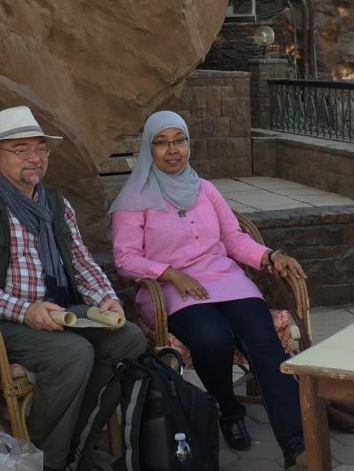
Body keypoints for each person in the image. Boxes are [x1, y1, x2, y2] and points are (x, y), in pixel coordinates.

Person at [0, 106, 147, 471]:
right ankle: (45, 459)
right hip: (0, 321)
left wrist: (107, 299)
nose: (34, 158)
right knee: (72, 354)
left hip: (57, 310)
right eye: (21, 150)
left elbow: (82, 262)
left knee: (128, 338)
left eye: (40, 149)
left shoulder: (56, 204)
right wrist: (25, 310)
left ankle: (79, 443)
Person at [110, 110, 308, 470]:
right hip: (172, 289)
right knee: (212, 338)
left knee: (262, 341)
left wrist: (270, 256)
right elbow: (125, 259)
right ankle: (229, 411)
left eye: (179, 140)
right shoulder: (134, 199)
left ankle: (296, 446)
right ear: (148, 149)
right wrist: (170, 273)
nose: (173, 150)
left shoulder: (205, 189)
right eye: (161, 142)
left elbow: (233, 239)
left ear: (189, 144)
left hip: (225, 279)